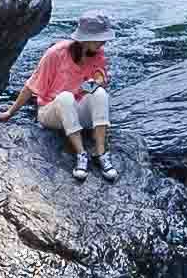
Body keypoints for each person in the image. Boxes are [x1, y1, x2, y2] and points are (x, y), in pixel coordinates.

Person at [11, 19, 117, 178]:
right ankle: (81, 154)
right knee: (65, 97)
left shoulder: (98, 54)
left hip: (79, 111)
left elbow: (98, 78)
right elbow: (31, 86)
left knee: (100, 93)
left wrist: (98, 82)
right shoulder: (56, 53)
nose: (104, 42)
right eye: (100, 38)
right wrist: (10, 113)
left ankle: (101, 153)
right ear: (85, 38)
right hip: (52, 112)